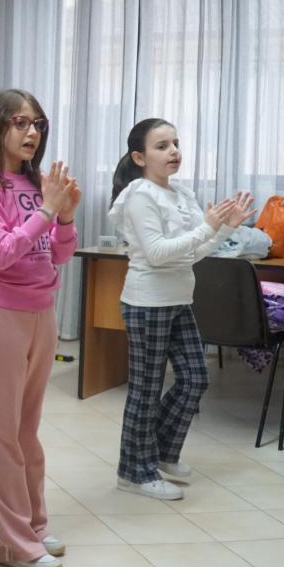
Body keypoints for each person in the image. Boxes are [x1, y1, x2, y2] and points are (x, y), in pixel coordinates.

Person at [0, 89, 81, 567]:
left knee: (27, 430)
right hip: (1, 312)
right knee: (3, 432)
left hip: (41, 312)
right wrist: (47, 212)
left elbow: (60, 253)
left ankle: (32, 525)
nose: (32, 133)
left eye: (38, 124)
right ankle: (8, 541)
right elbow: (4, 252)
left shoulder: (35, 182)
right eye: (21, 122)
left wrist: (64, 216)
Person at [107, 118, 255, 500]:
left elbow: (194, 252)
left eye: (175, 143)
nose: (174, 151)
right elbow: (157, 254)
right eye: (162, 146)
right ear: (139, 157)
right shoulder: (140, 195)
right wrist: (208, 226)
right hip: (147, 303)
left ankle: (158, 453)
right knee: (145, 390)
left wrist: (224, 228)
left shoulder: (181, 194)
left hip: (178, 300)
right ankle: (133, 472)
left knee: (194, 377)